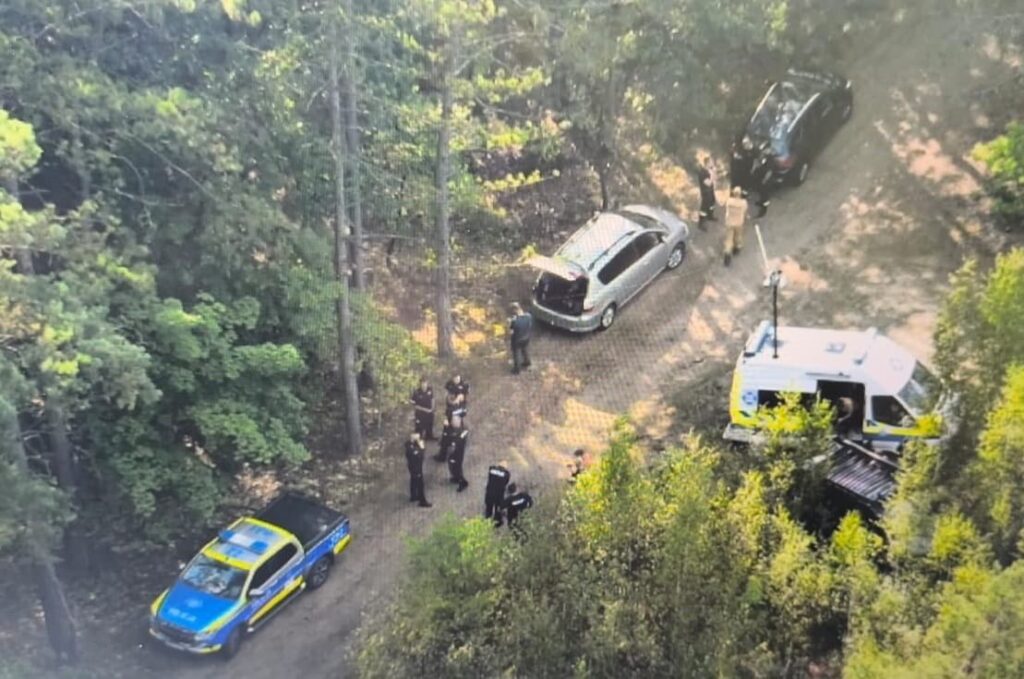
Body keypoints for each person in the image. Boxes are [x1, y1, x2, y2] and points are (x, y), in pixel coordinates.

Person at [723, 185, 748, 267]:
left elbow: (726, 209)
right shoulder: (743, 203)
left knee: (729, 239)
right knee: (738, 236)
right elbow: (744, 212)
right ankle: (737, 248)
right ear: (740, 194)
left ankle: (727, 253)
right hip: (739, 222)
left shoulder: (729, 201)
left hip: (729, 222)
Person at [404, 432, 431, 508]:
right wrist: (422, 448)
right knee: (420, 484)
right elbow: (419, 456)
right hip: (415, 467)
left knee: (413, 480)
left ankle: (413, 496)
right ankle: (422, 501)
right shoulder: (411, 449)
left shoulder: (410, 445)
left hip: (414, 466)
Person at [484, 460, 512, 526]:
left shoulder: (491, 469)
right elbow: (506, 482)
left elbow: (490, 472)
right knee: (498, 508)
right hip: (498, 495)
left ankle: (487, 518)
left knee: (489, 507)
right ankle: (497, 522)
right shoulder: (506, 474)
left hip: (490, 492)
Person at [446, 415, 469, 492]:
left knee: (457, 467)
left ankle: (462, 482)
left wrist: (453, 443)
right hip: (452, 451)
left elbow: (458, 440)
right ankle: (455, 477)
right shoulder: (452, 428)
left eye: (454, 422)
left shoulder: (463, 431)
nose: (452, 423)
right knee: (451, 465)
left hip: (458, 452)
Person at [508, 302, 533, 374]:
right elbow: (530, 326)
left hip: (517, 340)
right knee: (525, 350)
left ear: (515, 311)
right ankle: (527, 362)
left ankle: (517, 369)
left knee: (516, 353)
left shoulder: (515, 321)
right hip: (526, 337)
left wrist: (509, 323)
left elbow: (511, 332)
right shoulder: (528, 316)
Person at [697, 155, 718, 230]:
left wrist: (714, 173)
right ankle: (701, 223)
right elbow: (708, 183)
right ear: (707, 163)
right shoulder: (702, 173)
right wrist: (712, 175)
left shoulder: (709, 170)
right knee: (704, 208)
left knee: (712, 203)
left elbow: (715, 179)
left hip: (711, 191)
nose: (713, 163)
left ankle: (710, 216)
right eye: (711, 162)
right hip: (705, 192)